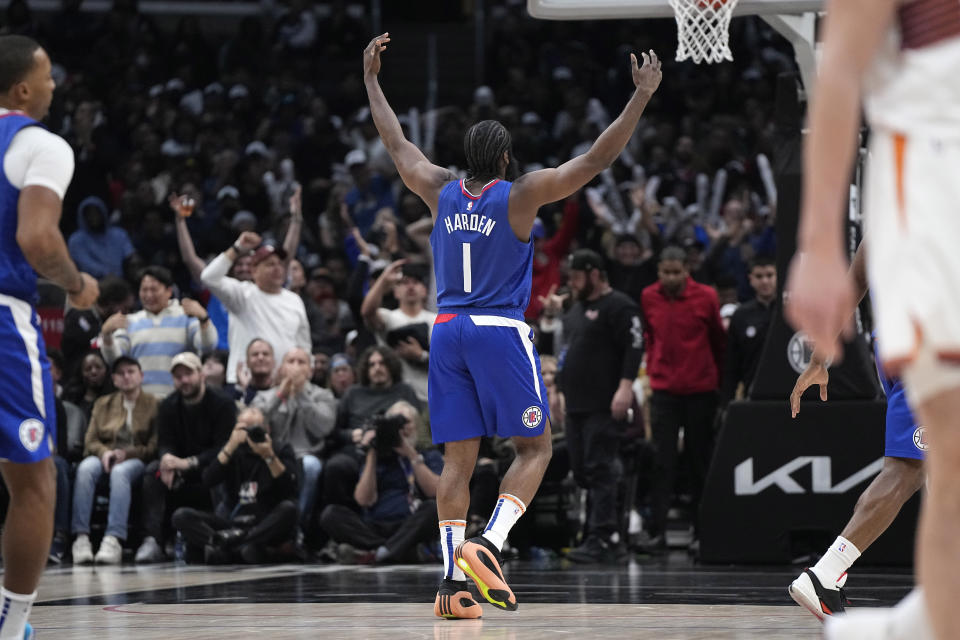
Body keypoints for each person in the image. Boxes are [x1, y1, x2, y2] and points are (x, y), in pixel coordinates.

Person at [363, 32, 661, 618]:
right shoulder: (522, 194)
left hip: (445, 331)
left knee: (458, 461)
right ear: (503, 159)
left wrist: (372, 80)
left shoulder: (438, 189)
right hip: (497, 329)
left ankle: (452, 586)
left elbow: (397, 143)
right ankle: (489, 545)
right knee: (536, 448)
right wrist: (640, 98)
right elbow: (597, 160)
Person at [784, 2, 960, 638]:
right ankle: (891, 608)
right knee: (934, 462)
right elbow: (839, 77)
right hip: (936, 176)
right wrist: (820, 249)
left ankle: (922, 616)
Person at [0, 34, 98, 640]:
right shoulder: (41, 145)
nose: (56, 85)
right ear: (22, 89)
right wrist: (77, 283)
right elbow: (38, 242)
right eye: (48, 76)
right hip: (4, 316)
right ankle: (11, 629)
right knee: (33, 477)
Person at [787, 242, 925, 620]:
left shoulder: (883, 221)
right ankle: (824, 575)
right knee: (907, 469)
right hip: (926, 344)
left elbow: (852, 286)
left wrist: (819, 357)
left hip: (894, 343)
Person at [547, 249, 643, 563]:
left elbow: (635, 346)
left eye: (576, 276)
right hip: (575, 404)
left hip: (604, 403)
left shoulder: (620, 306)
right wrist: (558, 392)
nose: (571, 284)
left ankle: (605, 537)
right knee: (582, 470)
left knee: (600, 468)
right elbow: (565, 353)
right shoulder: (575, 310)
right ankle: (599, 533)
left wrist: (626, 386)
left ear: (594, 274)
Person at [640, 246, 725, 548]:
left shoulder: (706, 296)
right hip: (664, 390)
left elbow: (718, 340)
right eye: (666, 273)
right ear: (659, 271)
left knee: (698, 461)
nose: (672, 278)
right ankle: (657, 532)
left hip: (701, 390)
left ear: (687, 270)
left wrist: (716, 383)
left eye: (677, 272)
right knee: (661, 463)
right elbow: (650, 336)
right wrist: (653, 368)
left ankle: (702, 532)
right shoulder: (649, 296)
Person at [134, 352, 236, 564]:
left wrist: (190, 462)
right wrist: (167, 458)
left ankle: (220, 536)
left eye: (188, 374)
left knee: (220, 469)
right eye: (178, 376)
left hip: (212, 466)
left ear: (201, 374)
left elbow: (223, 446)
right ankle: (154, 540)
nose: (184, 380)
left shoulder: (223, 403)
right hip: (180, 470)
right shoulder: (168, 405)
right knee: (153, 471)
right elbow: (165, 441)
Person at [319, 400, 443, 564]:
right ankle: (392, 551)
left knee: (434, 509)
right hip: (375, 526)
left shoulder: (427, 455)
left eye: (406, 422)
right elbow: (364, 500)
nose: (401, 429)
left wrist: (411, 454)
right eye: (395, 423)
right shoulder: (377, 456)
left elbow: (435, 491)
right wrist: (371, 453)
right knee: (331, 515)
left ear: (416, 426)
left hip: (410, 524)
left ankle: (373, 553)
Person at [171, 407, 299, 564]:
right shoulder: (232, 450)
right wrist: (230, 446)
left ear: (267, 429)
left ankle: (228, 547)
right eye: (243, 428)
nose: (249, 433)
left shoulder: (280, 449)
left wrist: (269, 456)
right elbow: (208, 480)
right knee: (181, 516)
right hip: (235, 524)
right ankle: (234, 546)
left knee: (289, 509)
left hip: (265, 524)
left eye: (254, 428)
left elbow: (290, 489)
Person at [71, 356, 157, 565]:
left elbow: (154, 446)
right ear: (114, 379)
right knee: (85, 469)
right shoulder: (103, 404)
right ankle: (81, 537)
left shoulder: (155, 404)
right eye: (121, 373)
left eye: (131, 371)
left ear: (141, 375)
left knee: (121, 473)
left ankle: (113, 539)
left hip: (136, 460)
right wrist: (104, 453)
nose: (126, 377)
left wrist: (128, 454)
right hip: (105, 455)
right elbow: (90, 440)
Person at [200, 231, 311, 388]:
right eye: (270, 264)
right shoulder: (242, 294)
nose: (277, 268)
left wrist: (303, 374)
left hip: (283, 384)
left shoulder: (294, 300)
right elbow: (208, 277)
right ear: (254, 271)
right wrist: (237, 248)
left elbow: (304, 344)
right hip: (244, 382)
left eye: (279, 264)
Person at [253, 346, 336, 535]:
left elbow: (324, 428)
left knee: (310, 466)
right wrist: (280, 396)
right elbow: (256, 427)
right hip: (272, 456)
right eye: (291, 361)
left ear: (310, 370)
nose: (296, 367)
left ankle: (297, 527)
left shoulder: (323, 395)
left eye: (301, 362)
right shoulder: (264, 396)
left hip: (305, 456)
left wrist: (302, 395)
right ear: (281, 368)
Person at [100, 265, 218, 397]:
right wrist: (106, 335)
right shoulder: (130, 321)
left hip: (179, 399)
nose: (148, 295)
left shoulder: (186, 316)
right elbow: (115, 359)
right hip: (141, 401)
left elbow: (208, 346)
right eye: (144, 290)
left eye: (154, 289)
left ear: (168, 291)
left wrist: (204, 319)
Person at [361, 259, 436, 404]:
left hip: (432, 397)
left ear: (425, 290)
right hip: (396, 399)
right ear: (395, 292)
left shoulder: (438, 321)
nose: (410, 287)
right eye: (404, 282)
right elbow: (367, 312)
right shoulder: (388, 318)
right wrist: (383, 280)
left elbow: (452, 362)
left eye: (416, 282)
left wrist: (421, 356)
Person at [721, 256, 777, 404]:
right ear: (751, 279)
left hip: (790, 394)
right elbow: (732, 363)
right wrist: (726, 401)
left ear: (778, 276)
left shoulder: (791, 312)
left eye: (769, 275)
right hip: (753, 393)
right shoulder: (741, 315)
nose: (765, 281)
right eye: (759, 276)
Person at [60, 275, 133, 375]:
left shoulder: (103, 319)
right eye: (125, 308)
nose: (126, 313)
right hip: (77, 379)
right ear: (111, 303)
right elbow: (95, 344)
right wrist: (106, 330)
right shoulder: (78, 316)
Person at [235, 338, 276, 405]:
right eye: (255, 354)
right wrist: (246, 388)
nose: (260, 357)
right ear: (247, 362)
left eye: (265, 354)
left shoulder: (283, 392)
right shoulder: (237, 393)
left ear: (274, 362)